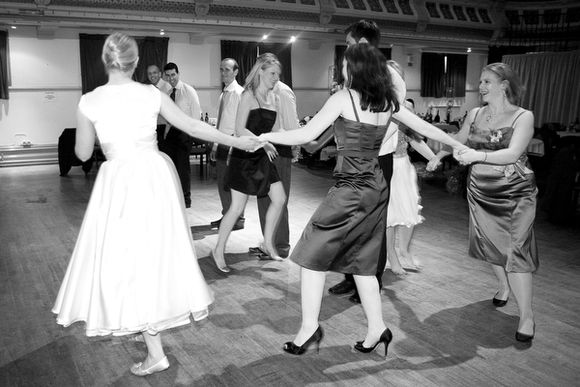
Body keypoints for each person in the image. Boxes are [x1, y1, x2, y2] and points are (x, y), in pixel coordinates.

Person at [52, 32, 259, 376]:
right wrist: (235, 140)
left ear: (104, 61)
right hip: (152, 178)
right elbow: (193, 124)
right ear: (135, 64)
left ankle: (153, 347)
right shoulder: (151, 93)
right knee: (152, 253)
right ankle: (149, 332)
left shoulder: (90, 100)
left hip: (118, 182)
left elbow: (84, 153)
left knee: (125, 255)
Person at [259, 44, 465, 356]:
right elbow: (421, 126)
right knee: (363, 260)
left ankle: (309, 328)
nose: (340, 69)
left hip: (352, 187)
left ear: (353, 69)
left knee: (311, 253)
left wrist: (266, 136)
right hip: (376, 185)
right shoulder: (386, 102)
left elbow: (305, 135)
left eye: (344, 64)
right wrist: (453, 145)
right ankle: (376, 329)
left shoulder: (344, 98)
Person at [430, 62, 539, 342]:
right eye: (480, 81)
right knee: (489, 244)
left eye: (487, 81)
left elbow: (513, 153)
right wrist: (438, 155)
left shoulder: (522, 117)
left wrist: (478, 156)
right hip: (481, 189)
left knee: (516, 251)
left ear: (504, 85)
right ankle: (503, 287)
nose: (481, 86)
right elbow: (458, 140)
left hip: (514, 191)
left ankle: (527, 316)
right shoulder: (476, 114)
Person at [327, 20, 407, 303]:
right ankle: (351, 277)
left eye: (349, 43)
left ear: (362, 43)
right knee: (351, 222)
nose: (346, 50)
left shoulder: (389, 78)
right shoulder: (355, 74)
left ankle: (371, 281)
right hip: (351, 158)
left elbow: (392, 117)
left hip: (377, 157)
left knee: (373, 225)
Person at [211, 53, 287, 272]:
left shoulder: (276, 98)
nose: (275, 78)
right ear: (260, 71)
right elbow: (239, 129)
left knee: (279, 199)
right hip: (244, 156)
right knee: (235, 208)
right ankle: (218, 250)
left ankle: (268, 243)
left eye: (278, 74)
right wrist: (264, 142)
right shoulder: (248, 95)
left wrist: (300, 137)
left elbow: (276, 129)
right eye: (272, 73)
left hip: (262, 157)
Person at [386, 98, 438, 275]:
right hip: (386, 167)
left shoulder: (405, 118)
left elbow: (416, 141)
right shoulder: (383, 115)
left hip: (404, 168)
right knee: (389, 215)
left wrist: (433, 158)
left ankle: (404, 251)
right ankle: (391, 255)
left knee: (409, 210)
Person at [255, 75, 300, 259]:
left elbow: (291, 124)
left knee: (279, 199)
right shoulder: (260, 91)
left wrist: (296, 146)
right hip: (262, 150)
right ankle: (268, 242)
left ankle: (280, 245)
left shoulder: (282, 91)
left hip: (280, 151)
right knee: (263, 197)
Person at [159, 62, 201, 209]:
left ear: (178, 74)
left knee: (183, 168)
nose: (171, 78)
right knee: (170, 167)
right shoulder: (167, 93)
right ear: (165, 76)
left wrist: (191, 134)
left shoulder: (188, 91)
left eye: (173, 75)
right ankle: (173, 197)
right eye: (168, 75)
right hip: (170, 134)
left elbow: (196, 114)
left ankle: (185, 199)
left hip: (184, 133)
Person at [210, 58, 246, 231]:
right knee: (223, 184)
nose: (223, 73)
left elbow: (241, 123)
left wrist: (234, 146)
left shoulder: (240, 93)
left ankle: (237, 219)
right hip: (222, 144)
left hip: (233, 146)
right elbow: (222, 122)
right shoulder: (223, 93)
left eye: (227, 70)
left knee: (234, 184)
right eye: (221, 69)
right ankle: (227, 215)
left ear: (236, 72)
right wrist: (216, 145)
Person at [147, 64, 172, 145]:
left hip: (164, 127)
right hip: (154, 127)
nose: (152, 75)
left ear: (160, 74)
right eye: (149, 73)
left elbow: (171, 110)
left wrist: (168, 129)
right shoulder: (150, 88)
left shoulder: (167, 87)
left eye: (154, 73)